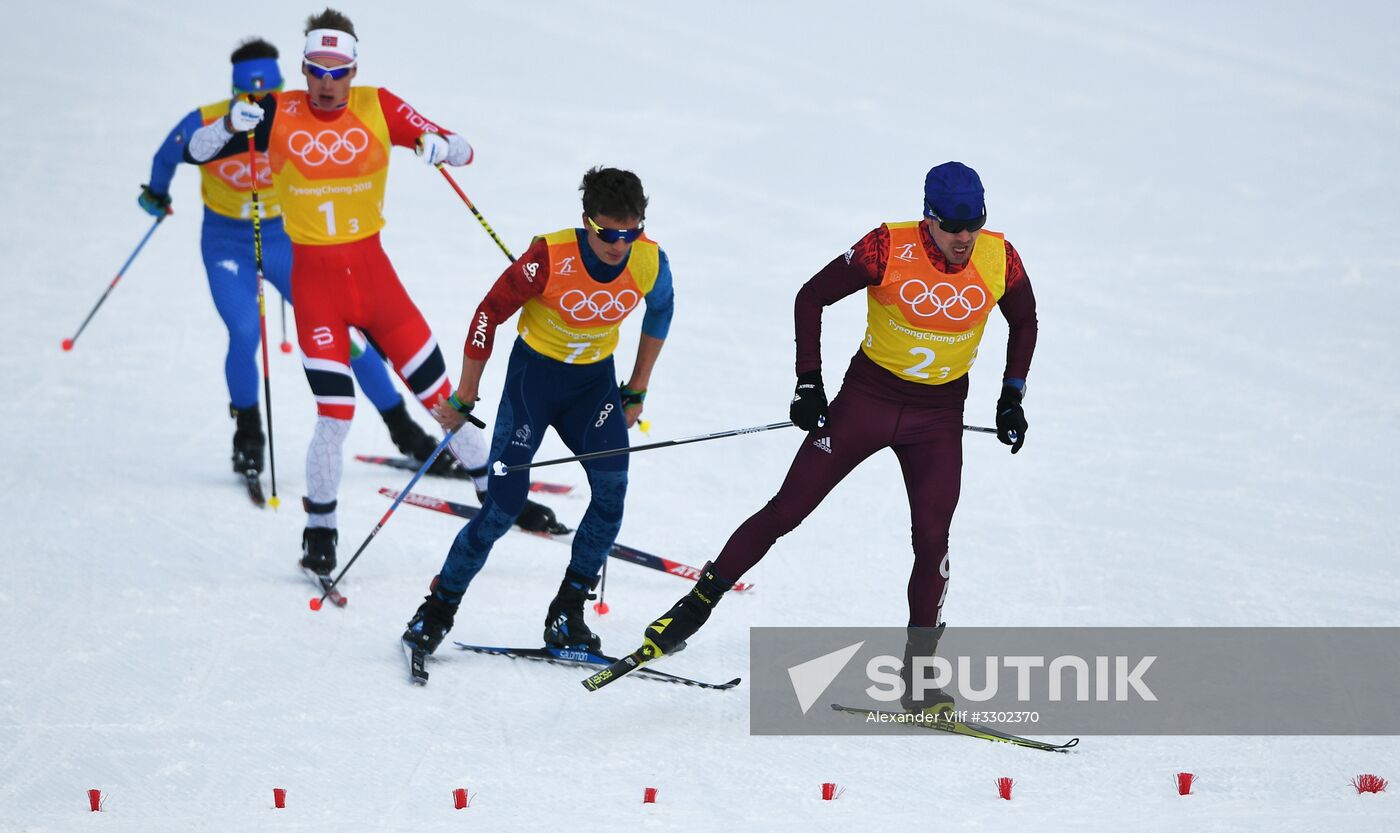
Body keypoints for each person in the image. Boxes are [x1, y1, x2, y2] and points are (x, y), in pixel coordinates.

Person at [639, 161, 1038, 715]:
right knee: (786, 510)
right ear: (928, 218)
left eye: (975, 224)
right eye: (952, 226)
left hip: (938, 418)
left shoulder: (1000, 257)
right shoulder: (885, 247)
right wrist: (808, 381)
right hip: (867, 403)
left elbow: (1025, 320)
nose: (964, 237)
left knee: (933, 542)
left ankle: (920, 675)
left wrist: (1012, 395)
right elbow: (811, 297)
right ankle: (690, 610)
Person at [183, 8, 562, 573]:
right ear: (303, 69)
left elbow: (464, 149)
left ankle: (497, 494)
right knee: (335, 415)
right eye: (317, 70)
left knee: (444, 401)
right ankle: (320, 529)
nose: (327, 83)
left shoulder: (378, 105)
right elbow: (197, 150)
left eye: (338, 72)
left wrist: (438, 145)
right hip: (316, 292)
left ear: (354, 70)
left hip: (377, 286)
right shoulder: (275, 111)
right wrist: (228, 126)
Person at [141, 37, 445, 484]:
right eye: (246, 95)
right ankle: (248, 433)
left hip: (287, 240)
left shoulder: (293, 117)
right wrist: (156, 194)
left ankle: (404, 429)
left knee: (350, 335)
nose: (257, 103)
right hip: (227, 243)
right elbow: (168, 155)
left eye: (267, 94)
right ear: (234, 91)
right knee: (245, 331)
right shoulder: (208, 122)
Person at [402, 166, 674, 656]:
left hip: (593, 388)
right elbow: (488, 313)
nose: (619, 245)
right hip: (534, 384)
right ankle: (436, 610)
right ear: (587, 221)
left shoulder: (649, 260)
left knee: (611, 496)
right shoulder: (549, 256)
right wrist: (466, 395)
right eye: (608, 234)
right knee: (503, 508)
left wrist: (637, 387)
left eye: (630, 233)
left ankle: (567, 613)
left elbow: (661, 309)